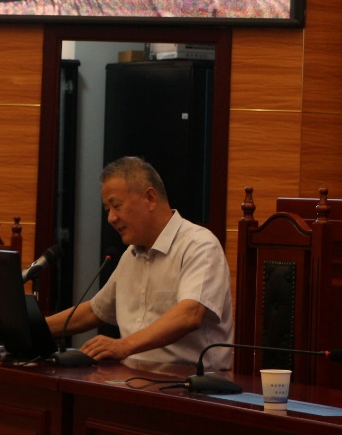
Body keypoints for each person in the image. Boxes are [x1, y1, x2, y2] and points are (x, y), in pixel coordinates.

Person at [45, 156, 235, 369]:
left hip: (190, 382)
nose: (111, 218)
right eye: (108, 210)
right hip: (131, 378)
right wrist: (34, 327)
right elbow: (95, 311)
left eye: (116, 206)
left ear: (150, 198)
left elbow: (190, 314)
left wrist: (124, 345)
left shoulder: (199, 245)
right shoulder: (130, 255)